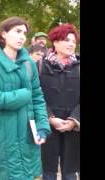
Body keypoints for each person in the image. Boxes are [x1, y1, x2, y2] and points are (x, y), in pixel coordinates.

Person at [0, 16, 51, 180]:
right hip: (1, 136)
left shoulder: (29, 64)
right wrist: (25, 94)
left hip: (27, 136)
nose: (22, 37)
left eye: (24, 33)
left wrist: (42, 127)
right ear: (4, 34)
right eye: (17, 31)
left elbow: (38, 98)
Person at [40, 23, 80, 180]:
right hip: (48, 126)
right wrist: (49, 117)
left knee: (70, 172)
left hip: (74, 129)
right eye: (66, 40)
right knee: (48, 171)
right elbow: (35, 97)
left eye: (74, 41)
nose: (71, 44)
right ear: (55, 42)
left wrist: (73, 120)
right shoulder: (40, 65)